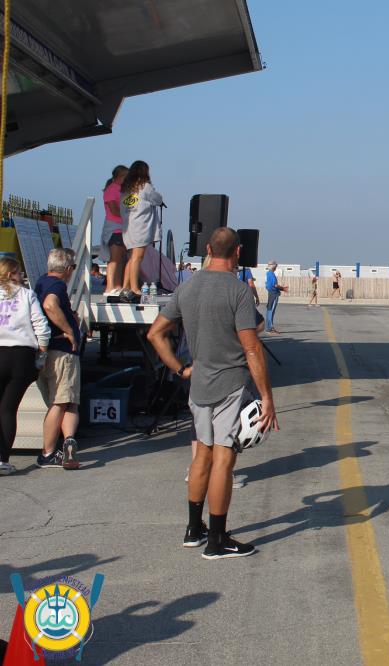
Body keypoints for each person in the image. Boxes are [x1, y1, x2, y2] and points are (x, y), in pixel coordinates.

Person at [147, 228, 277, 559]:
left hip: (199, 384)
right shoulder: (238, 291)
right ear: (238, 252)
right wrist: (267, 397)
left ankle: (194, 529)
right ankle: (217, 540)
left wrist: (180, 369)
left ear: (207, 249)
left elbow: (155, 333)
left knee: (201, 455)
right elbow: (251, 348)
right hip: (230, 385)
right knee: (224, 458)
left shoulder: (187, 287)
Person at [0, 259, 50, 475]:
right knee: (8, 409)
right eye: (19, 272)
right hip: (21, 356)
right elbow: (41, 326)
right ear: (10, 274)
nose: (22, 276)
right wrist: (42, 355)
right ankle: (2, 460)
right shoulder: (27, 295)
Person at [34, 249, 82, 469]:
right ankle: (48, 452)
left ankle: (69, 440)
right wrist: (69, 330)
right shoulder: (57, 285)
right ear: (68, 269)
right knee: (61, 401)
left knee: (69, 400)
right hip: (62, 352)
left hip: (46, 350)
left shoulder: (41, 282)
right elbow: (50, 305)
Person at [118, 160, 165, 304]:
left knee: (132, 257)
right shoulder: (145, 186)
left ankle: (125, 287)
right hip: (141, 227)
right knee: (137, 258)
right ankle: (134, 288)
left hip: (128, 227)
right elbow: (157, 199)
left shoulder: (126, 188)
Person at [100, 165, 128, 297]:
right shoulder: (112, 189)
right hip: (114, 228)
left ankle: (117, 285)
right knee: (114, 260)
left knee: (120, 260)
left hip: (121, 228)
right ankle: (109, 286)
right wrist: (127, 215)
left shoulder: (122, 190)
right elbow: (114, 210)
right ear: (119, 177)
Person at [263, 261, 287, 334]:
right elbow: (275, 285)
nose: (276, 267)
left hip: (270, 293)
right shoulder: (271, 274)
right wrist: (283, 288)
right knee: (271, 310)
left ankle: (268, 328)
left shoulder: (267, 274)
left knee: (269, 309)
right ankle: (270, 328)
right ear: (273, 266)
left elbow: (267, 285)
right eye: (276, 266)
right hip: (274, 294)